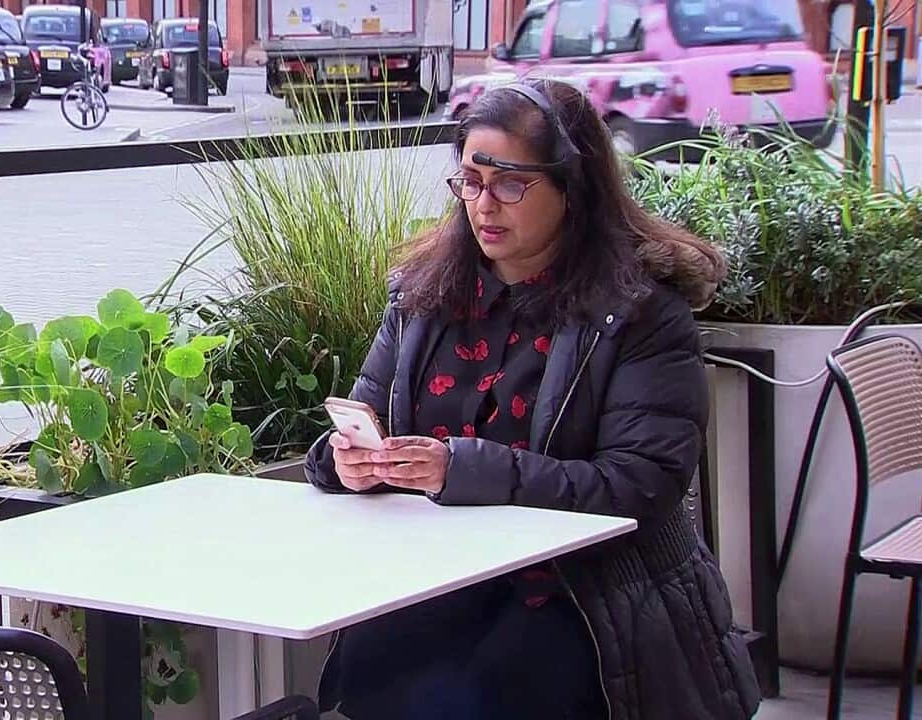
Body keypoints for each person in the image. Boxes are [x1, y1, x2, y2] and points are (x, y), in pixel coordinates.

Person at [304, 78, 762, 720]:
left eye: (510, 183)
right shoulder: (420, 297)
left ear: (571, 187)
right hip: (434, 575)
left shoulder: (640, 314)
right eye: (469, 180)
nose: (484, 204)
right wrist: (346, 461)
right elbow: (363, 420)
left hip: (587, 591)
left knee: (481, 692)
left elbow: (639, 486)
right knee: (368, 671)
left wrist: (459, 469)